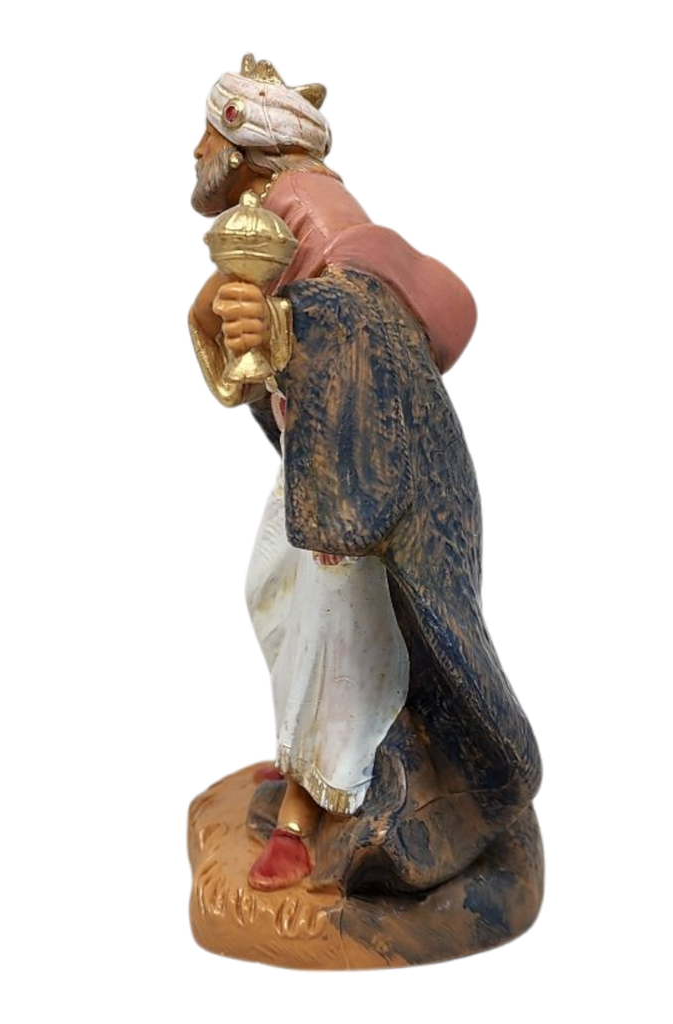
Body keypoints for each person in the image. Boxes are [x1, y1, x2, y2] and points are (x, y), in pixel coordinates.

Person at [185, 51, 543, 898]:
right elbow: (243, 358)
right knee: (268, 591)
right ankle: (303, 762)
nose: (194, 152)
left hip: (353, 485)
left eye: (203, 135)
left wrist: (279, 325)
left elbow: (352, 320)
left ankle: (308, 812)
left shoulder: (317, 218)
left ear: (238, 146)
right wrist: (239, 322)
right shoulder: (264, 220)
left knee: (336, 632)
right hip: (314, 460)